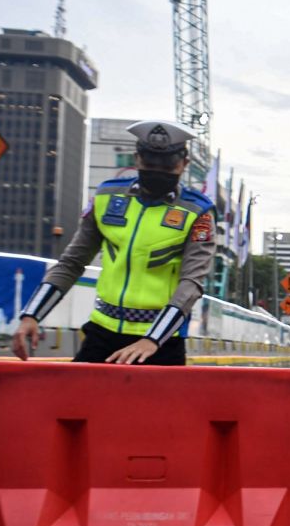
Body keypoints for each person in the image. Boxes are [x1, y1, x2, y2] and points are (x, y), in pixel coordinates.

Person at [12, 120, 215, 365]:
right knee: (74, 402)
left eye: (167, 164)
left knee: (157, 405)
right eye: (150, 162)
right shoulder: (106, 197)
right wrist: (31, 315)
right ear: (137, 159)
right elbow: (71, 263)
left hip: (161, 343)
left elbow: (191, 283)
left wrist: (152, 339)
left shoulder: (198, 211)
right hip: (102, 334)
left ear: (184, 164)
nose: (158, 170)